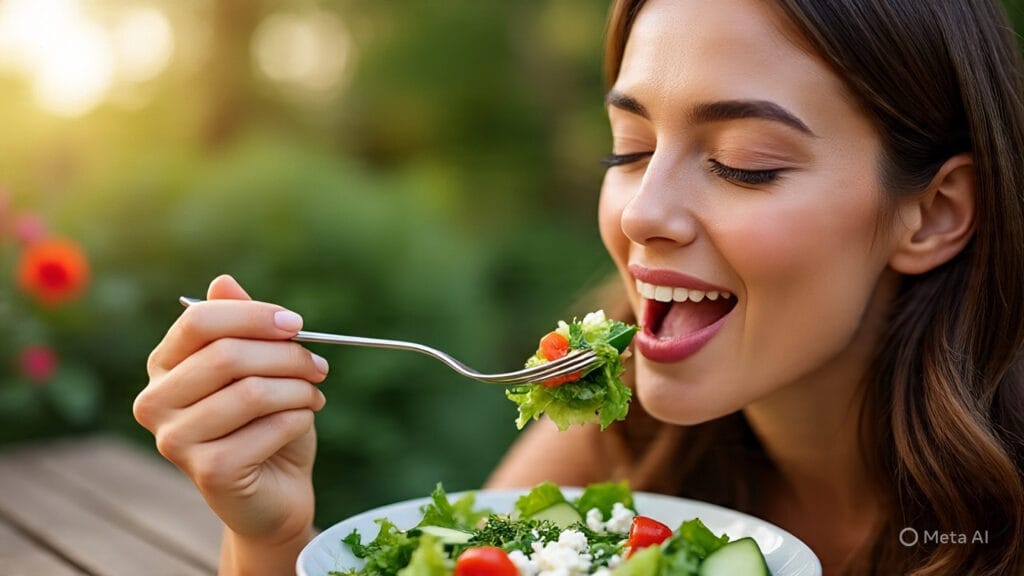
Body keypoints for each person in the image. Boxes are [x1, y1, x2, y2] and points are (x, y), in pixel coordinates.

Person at [133, 0, 1024, 574]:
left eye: (745, 163)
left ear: (933, 214)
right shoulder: (616, 439)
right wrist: (270, 536)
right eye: (629, 150)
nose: (643, 213)